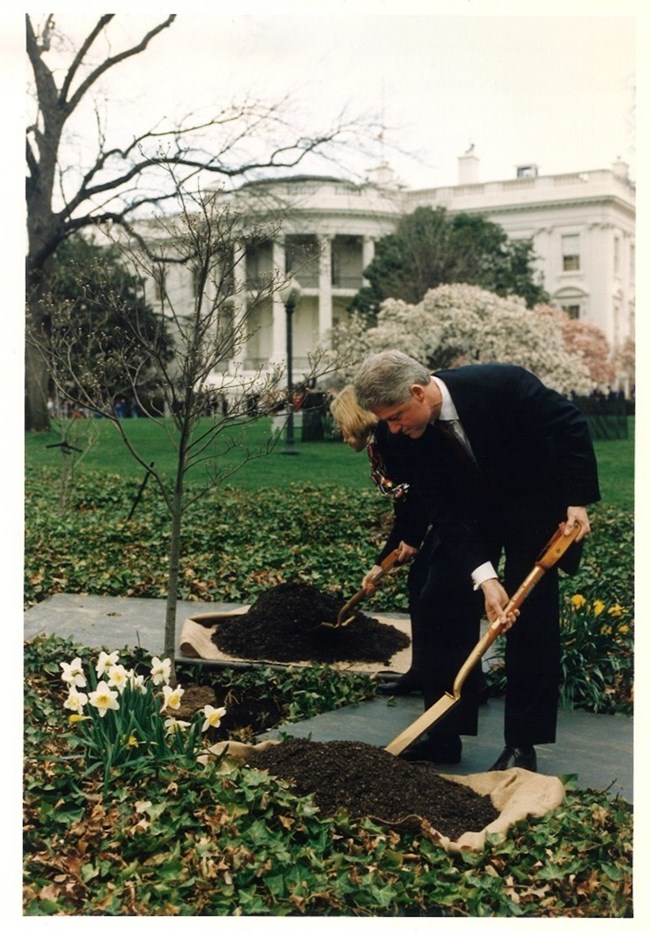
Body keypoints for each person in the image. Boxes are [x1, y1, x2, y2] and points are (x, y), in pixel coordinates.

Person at [354, 351, 600, 771]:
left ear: (418, 392)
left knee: (530, 618)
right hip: (471, 515)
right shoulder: (401, 435)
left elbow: (571, 425)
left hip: (534, 507)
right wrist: (484, 578)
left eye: (396, 416)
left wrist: (576, 501)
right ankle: (443, 734)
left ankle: (523, 745)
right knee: (439, 600)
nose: (391, 429)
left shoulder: (502, 385)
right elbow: (443, 511)